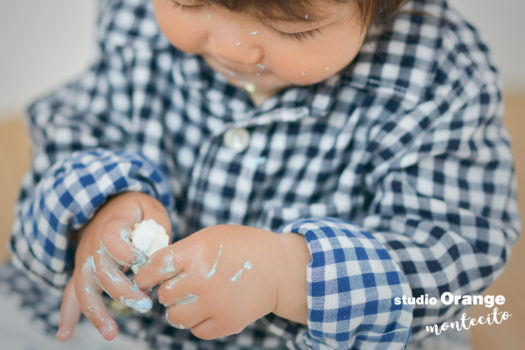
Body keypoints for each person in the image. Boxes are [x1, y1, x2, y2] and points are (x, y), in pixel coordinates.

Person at [3, 0, 520, 349]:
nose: (234, 49)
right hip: (141, 322)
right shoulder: (134, 17)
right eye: (189, 2)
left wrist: (289, 274)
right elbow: (80, 125)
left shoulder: (432, 68)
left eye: (295, 28)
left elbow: (457, 244)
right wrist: (101, 208)